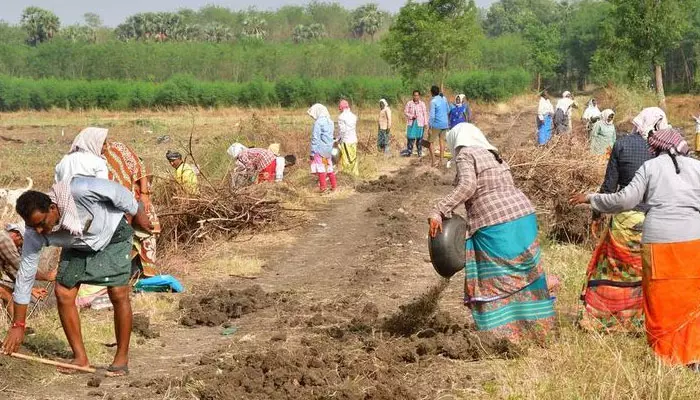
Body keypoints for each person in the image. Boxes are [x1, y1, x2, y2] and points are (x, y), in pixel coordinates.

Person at [570, 128, 700, 368]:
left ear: (657, 147)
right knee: (691, 298)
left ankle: (665, 356)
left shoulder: (651, 168)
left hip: (659, 243)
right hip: (693, 242)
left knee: (660, 298)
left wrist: (591, 198)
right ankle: (692, 355)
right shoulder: (697, 167)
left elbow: (624, 200)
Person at [2, 178, 153, 376]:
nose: (39, 230)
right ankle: (80, 358)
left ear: (53, 207)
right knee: (63, 291)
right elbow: (25, 276)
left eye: (41, 223)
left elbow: (120, 194)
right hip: (77, 245)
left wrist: (138, 212)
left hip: (112, 235)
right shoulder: (33, 233)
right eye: (33, 226)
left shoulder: (81, 190)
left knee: (118, 292)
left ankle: (121, 358)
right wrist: (18, 325)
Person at [428, 123, 555, 343]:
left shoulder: (466, 154)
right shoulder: (494, 155)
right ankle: (537, 332)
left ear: (456, 141)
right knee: (525, 275)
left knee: (496, 280)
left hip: (496, 224)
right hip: (524, 217)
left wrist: (440, 209)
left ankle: (500, 338)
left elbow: (468, 186)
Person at [577, 108, 663, 333]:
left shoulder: (622, 144)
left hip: (625, 220)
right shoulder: (662, 151)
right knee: (647, 274)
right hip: (654, 222)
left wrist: (596, 214)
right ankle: (644, 322)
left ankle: (605, 320)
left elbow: (609, 186)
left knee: (611, 270)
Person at [103, 141, 161, 276]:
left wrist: (145, 195)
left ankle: (143, 275)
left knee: (144, 235)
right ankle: (127, 274)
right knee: (123, 240)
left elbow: (140, 169)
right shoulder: (96, 159)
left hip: (136, 203)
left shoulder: (119, 149)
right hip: (117, 208)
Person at [0, 224, 54, 316]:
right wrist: (47, 276)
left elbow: (11, 270)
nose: (21, 247)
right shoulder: (4, 239)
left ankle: (16, 326)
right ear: (17, 235)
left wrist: (30, 289)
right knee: (8, 295)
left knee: (9, 295)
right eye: (22, 243)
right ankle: (17, 327)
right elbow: (21, 266)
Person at [228, 143, 296, 185]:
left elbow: (249, 166)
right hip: (268, 160)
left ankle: (265, 194)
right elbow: (251, 165)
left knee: (265, 181)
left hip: (266, 162)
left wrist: (250, 177)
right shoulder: (246, 152)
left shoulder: (242, 155)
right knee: (265, 180)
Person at [308, 104, 338, 193]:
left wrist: (312, 153)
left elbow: (315, 138)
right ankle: (334, 186)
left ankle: (323, 188)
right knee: (328, 167)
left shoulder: (318, 123)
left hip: (319, 151)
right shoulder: (330, 121)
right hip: (328, 150)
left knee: (320, 168)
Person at [428, 85, 450, 167]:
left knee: (430, 142)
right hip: (445, 124)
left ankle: (433, 161)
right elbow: (448, 110)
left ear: (431, 93)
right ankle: (441, 160)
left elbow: (432, 116)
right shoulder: (444, 99)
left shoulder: (433, 102)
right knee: (442, 141)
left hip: (436, 124)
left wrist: (430, 127)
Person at [403, 90, 428, 157]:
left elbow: (425, 113)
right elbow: (405, 112)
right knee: (410, 138)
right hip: (411, 123)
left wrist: (425, 123)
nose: (416, 97)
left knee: (419, 139)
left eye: (417, 95)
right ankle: (409, 152)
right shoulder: (409, 103)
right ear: (413, 96)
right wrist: (411, 116)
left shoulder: (422, 104)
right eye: (414, 95)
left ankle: (419, 152)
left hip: (420, 123)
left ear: (419, 96)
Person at [337, 100, 359, 176]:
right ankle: (355, 175)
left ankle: (347, 176)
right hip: (354, 140)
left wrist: (338, 140)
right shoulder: (353, 116)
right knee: (353, 158)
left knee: (346, 159)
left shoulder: (341, 117)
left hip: (346, 141)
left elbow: (342, 131)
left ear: (341, 108)